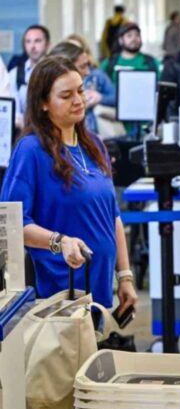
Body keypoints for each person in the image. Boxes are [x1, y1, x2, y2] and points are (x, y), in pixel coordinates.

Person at [0, 57, 138, 312]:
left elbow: (113, 216)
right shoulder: (31, 151)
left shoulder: (94, 145)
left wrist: (125, 276)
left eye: (80, 91)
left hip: (99, 293)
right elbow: (13, 224)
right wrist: (59, 242)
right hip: (58, 296)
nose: (78, 100)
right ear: (43, 103)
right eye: (66, 95)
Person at [47, 42, 105, 135]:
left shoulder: (90, 139)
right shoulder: (32, 142)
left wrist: (100, 98)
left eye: (80, 91)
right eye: (66, 96)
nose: (88, 72)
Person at [10, 24, 51, 129]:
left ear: (48, 44)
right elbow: (15, 111)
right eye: (28, 41)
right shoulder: (15, 74)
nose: (32, 46)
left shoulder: (56, 71)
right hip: (24, 130)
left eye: (37, 41)